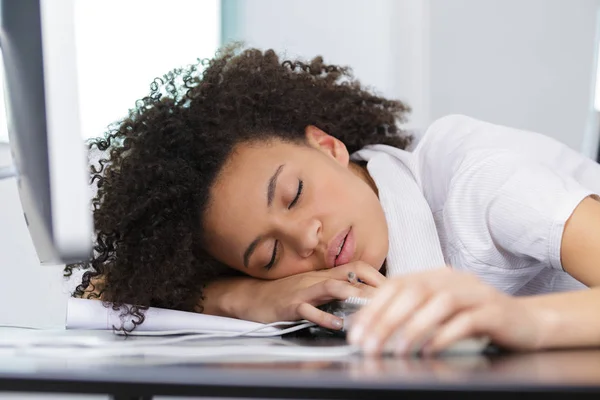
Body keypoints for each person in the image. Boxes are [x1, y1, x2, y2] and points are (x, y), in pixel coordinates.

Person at [67, 45, 600, 356]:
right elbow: (101, 295)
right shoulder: (322, 281)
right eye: (269, 256)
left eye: (294, 194)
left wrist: (520, 323)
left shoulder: (480, 180)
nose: (305, 238)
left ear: (328, 146)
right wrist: (242, 299)